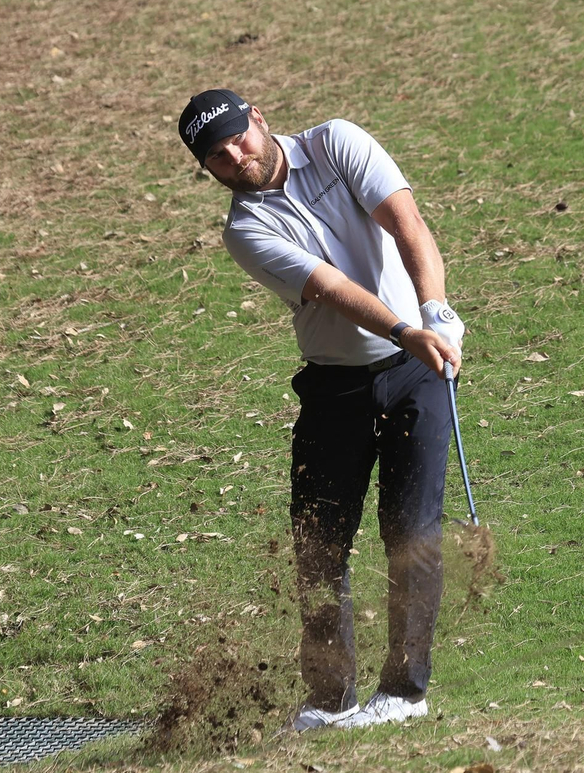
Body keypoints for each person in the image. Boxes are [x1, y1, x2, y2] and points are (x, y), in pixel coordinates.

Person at [175, 89, 467, 731]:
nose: (234, 156)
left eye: (236, 138)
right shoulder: (245, 230)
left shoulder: (337, 142)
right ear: (208, 171)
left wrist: (435, 312)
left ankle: (404, 694)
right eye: (216, 157)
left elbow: (408, 224)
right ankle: (331, 701)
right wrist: (403, 331)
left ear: (258, 119)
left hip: (415, 375)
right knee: (318, 544)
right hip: (335, 388)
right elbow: (330, 289)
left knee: (411, 528)